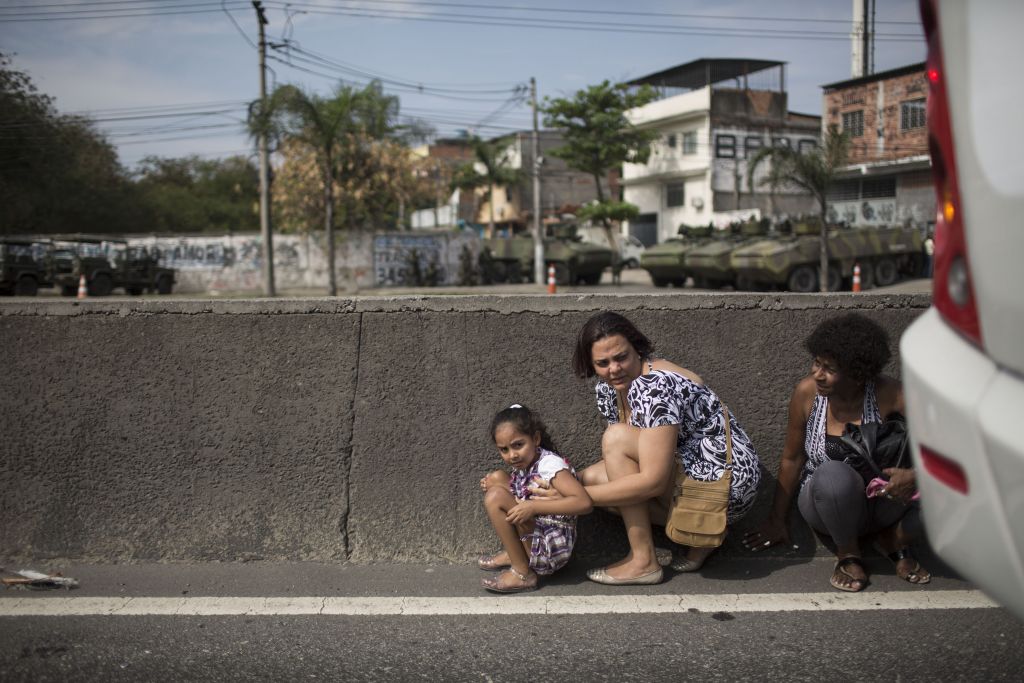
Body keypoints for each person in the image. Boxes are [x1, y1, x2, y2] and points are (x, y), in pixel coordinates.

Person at [534, 311, 762, 584]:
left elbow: (651, 481)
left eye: (621, 357)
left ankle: (644, 561)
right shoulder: (609, 389)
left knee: (614, 443)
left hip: (727, 485)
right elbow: (628, 464)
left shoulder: (653, 386)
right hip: (695, 473)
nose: (614, 369)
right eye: (602, 363)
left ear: (636, 348)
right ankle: (702, 536)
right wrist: (568, 485)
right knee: (595, 479)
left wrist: (574, 497)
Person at [742, 313, 930, 592]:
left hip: (884, 501)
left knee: (946, 493)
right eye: (816, 363)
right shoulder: (806, 393)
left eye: (829, 368)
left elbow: (945, 445)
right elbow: (792, 459)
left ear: (858, 374)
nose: (817, 374)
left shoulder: (891, 393)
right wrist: (776, 520)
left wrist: (914, 475)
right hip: (827, 502)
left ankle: (894, 540)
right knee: (833, 474)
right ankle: (848, 553)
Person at [478, 404, 592, 594]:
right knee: (497, 479)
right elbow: (521, 492)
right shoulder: (528, 461)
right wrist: (494, 483)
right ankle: (517, 553)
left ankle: (523, 573)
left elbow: (584, 503)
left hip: (552, 549)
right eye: (504, 449)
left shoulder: (550, 465)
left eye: (518, 445)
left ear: (536, 439)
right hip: (538, 531)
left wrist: (533, 507)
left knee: (496, 497)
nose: (512, 455)